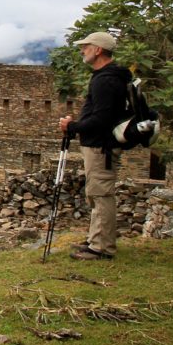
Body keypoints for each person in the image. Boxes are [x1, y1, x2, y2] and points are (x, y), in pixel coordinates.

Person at [58, 31, 131, 261]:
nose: (82, 50)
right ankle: (95, 239)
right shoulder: (110, 76)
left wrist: (73, 127)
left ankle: (101, 248)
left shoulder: (105, 80)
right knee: (96, 193)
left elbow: (102, 119)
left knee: (101, 194)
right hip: (101, 145)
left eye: (86, 46)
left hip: (101, 146)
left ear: (98, 50)